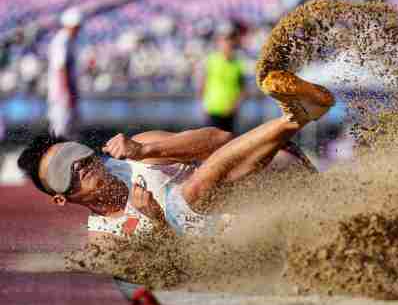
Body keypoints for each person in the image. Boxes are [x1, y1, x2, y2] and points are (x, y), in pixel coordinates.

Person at [17, 71, 333, 246]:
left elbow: (221, 141)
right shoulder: (105, 239)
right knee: (186, 199)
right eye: (64, 171)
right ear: (60, 198)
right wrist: (156, 221)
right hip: (250, 237)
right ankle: (298, 118)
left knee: (193, 190)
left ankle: (296, 118)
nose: (78, 166)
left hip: (271, 176)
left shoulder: (136, 150)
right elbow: (171, 272)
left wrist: (145, 151)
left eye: (74, 155)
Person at [198, 21, 247, 133]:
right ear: (219, 42)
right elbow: (202, 84)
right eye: (225, 40)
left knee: (229, 143)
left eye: (230, 40)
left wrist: (235, 106)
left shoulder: (238, 64)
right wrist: (203, 106)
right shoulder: (211, 60)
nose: (227, 43)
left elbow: (243, 89)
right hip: (213, 110)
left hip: (230, 112)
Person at [47, 8, 82, 139]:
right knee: (60, 130)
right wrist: (67, 93)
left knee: (69, 130)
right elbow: (61, 68)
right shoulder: (62, 41)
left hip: (65, 92)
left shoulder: (68, 40)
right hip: (61, 93)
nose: (78, 30)